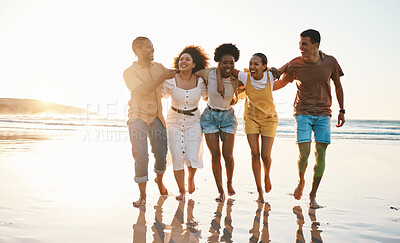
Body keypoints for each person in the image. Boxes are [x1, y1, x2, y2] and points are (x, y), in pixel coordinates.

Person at [274, 29, 345, 208]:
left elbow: (338, 86)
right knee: (304, 155)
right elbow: (281, 81)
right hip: (303, 112)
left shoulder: (330, 62)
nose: (301, 47)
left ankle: (313, 195)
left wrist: (342, 110)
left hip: (323, 114)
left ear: (315, 45)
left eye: (304, 44)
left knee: (320, 155)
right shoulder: (295, 64)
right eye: (300, 44)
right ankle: (300, 181)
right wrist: (260, 88)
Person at [218, 53, 279, 203]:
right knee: (255, 154)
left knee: (265, 156)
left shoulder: (270, 76)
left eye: (256, 64)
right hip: (251, 119)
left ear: (264, 66)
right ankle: (260, 192)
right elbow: (226, 68)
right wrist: (219, 78)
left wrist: (274, 68)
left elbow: (289, 67)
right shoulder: (245, 77)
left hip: (269, 120)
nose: (252, 67)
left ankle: (267, 175)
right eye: (251, 64)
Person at [123, 37, 176, 207]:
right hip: (137, 116)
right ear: (137, 50)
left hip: (156, 117)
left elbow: (179, 73)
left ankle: (159, 180)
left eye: (153, 46)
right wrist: (161, 78)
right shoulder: (129, 72)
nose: (152, 49)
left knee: (161, 155)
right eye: (148, 47)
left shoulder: (159, 67)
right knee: (141, 155)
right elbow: (141, 91)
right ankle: (142, 195)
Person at [195, 43, 243, 202]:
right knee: (215, 155)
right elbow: (192, 71)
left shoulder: (236, 77)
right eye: (225, 62)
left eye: (231, 63)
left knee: (228, 155)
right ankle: (221, 191)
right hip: (209, 117)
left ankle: (229, 182)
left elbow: (257, 75)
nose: (228, 66)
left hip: (228, 117)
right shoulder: (209, 74)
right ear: (219, 63)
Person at [162, 45, 209, 201]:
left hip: (194, 121)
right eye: (181, 59)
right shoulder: (170, 81)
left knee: (192, 155)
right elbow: (159, 95)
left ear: (194, 64)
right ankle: (182, 190)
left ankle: (191, 178)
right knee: (177, 156)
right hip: (173, 121)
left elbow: (209, 97)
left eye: (187, 59)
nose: (183, 61)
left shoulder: (200, 81)